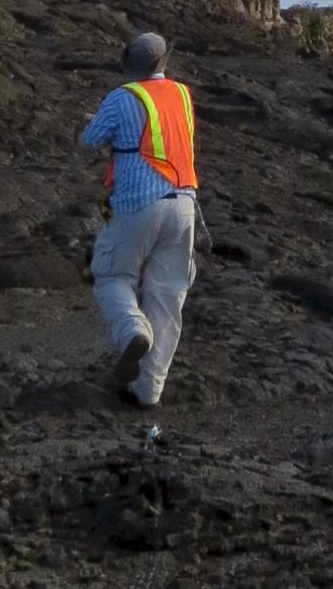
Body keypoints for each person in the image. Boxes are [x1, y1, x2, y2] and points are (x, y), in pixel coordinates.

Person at [81, 30, 207, 407]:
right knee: (167, 298)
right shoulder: (183, 94)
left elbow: (89, 142)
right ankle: (149, 390)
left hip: (138, 203)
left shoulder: (123, 97)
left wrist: (92, 124)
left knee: (113, 276)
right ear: (163, 61)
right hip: (184, 205)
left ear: (128, 64)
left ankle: (133, 331)